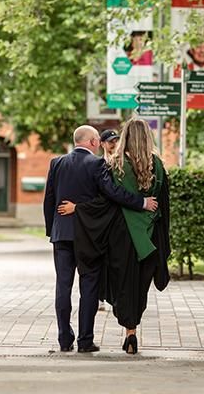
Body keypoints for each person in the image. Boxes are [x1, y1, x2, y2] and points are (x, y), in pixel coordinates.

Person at [57, 118, 171, 355]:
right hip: (148, 237)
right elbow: (164, 205)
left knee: (122, 284)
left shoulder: (114, 165)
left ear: (126, 136)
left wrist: (79, 208)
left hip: (120, 234)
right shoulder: (157, 165)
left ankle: (124, 326)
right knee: (139, 285)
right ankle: (131, 332)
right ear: (148, 138)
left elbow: (106, 200)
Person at [97, 129, 120, 312]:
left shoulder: (121, 163)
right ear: (102, 143)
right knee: (100, 258)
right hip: (101, 217)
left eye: (116, 141)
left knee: (115, 258)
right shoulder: (98, 163)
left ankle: (114, 296)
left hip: (117, 216)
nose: (114, 144)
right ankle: (100, 296)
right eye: (110, 141)